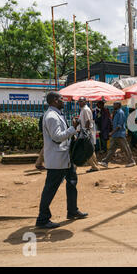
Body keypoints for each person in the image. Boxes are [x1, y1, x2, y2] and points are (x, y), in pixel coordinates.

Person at [36, 91, 88, 229]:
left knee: (72, 182)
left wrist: (73, 130)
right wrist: (73, 128)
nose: (63, 100)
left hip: (65, 157)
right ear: (54, 100)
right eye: (61, 99)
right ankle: (42, 219)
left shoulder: (57, 114)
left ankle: (72, 211)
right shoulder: (52, 117)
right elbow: (57, 137)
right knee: (50, 189)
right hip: (57, 159)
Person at [100, 102, 136, 169]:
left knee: (125, 148)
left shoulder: (120, 113)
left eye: (114, 104)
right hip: (115, 135)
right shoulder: (116, 112)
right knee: (112, 149)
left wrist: (112, 132)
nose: (113, 105)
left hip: (120, 134)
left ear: (118, 105)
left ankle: (131, 161)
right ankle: (105, 162)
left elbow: (120, 125)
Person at [78, 97, 100, 173]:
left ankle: (94, 166)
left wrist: (86, 132)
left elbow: (87, 121)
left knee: (86, 150)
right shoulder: (83, 109)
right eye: (79, 101)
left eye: (81, 101)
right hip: (85, 132)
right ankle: (95, 165)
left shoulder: (85, 110)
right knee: (90, 149)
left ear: (85, 102)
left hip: (85, 132)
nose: (79, 103)